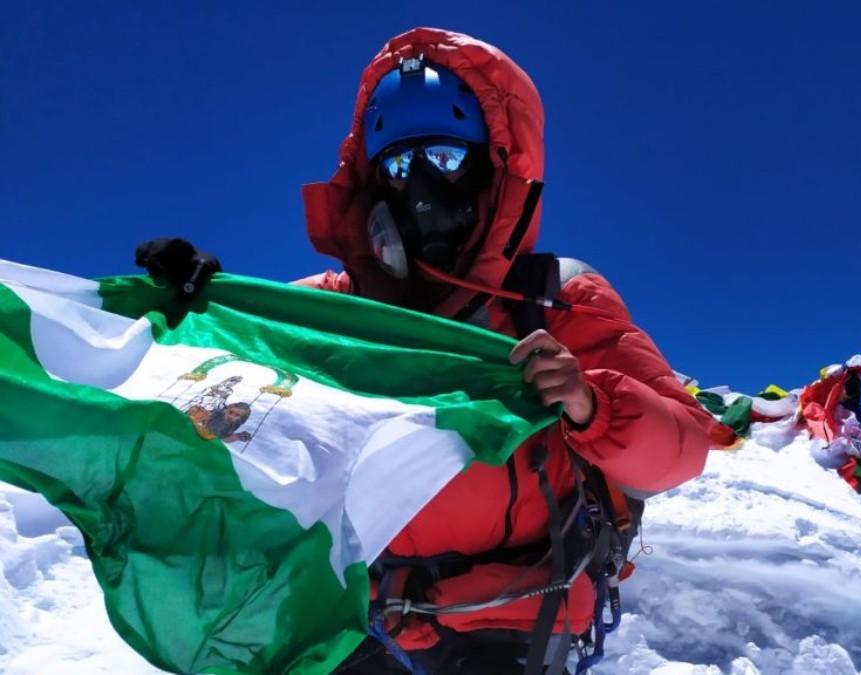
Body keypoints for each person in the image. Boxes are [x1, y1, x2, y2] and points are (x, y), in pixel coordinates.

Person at [135, 27, 712, 674]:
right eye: (401, 168)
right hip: (364, 609)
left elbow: (682, 451)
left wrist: (590, 404)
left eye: (441, 158)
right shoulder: (342, 308)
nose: (420, 190)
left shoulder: (556, 297)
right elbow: (242, 358)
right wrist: (197, 310)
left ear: (493, 168)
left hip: (513, 612)